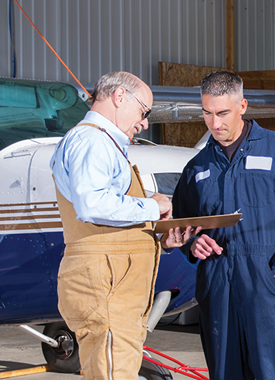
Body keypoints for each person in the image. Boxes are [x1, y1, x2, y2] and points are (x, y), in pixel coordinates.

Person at [51, 71, 199, 380]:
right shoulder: (91, 140)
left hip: (115, 286)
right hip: (107, 286)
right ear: (120, 97)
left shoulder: (102, 143)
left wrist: (155, 239)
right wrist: (152, 205)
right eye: (144, 111)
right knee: (112, 370)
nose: (145, 123)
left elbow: (109, 226)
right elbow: (93, 204)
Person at [172, 71, 275, 380]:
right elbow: (181, 222)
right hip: (217, 280)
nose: (215, 123)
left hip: (265, 276)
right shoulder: (197, 166)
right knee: (226, 370)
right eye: (207, 113)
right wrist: (191, 244)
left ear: (243, 106)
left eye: (222, 113)